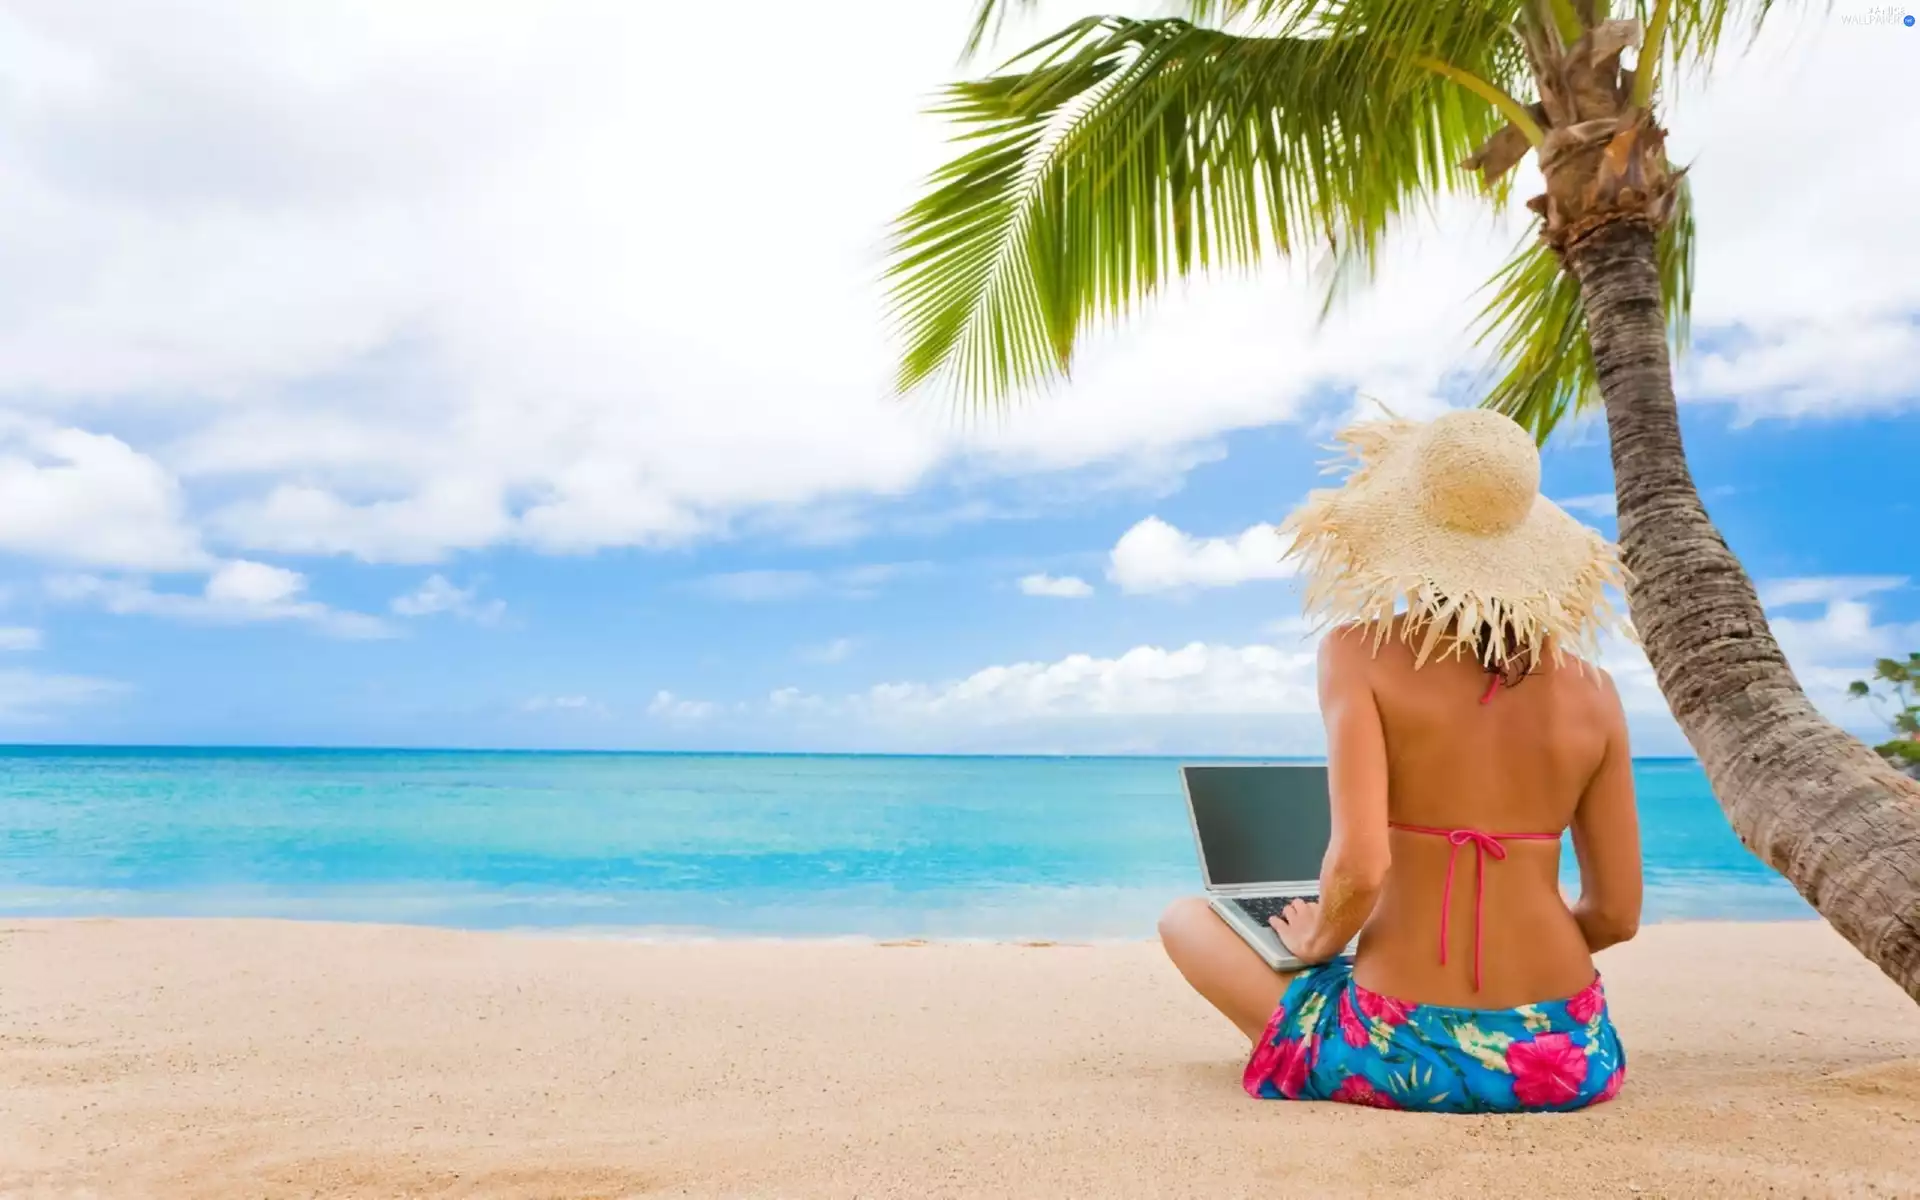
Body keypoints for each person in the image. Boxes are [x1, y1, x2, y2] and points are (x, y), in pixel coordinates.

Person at [1157, 408, 1641, 1114]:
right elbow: (1617, 914)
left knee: (1184, 920)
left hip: (1399, 1046)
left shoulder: (1359, 652)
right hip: (1566, 1053)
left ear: (1403, 535)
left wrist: (1320, 939)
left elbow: (1361, 866)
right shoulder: (1598, 693)